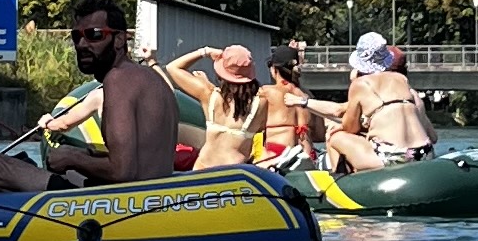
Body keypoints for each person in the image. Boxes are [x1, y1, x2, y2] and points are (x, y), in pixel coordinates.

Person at [0, 0, 185, 194]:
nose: (81, 44)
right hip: (152, 195)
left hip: (121, 203)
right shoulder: (153, 80)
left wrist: (73, 156)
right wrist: (83, 159)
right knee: (57, 170)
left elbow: (123, 172)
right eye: (76, 36)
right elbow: (140, 162)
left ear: (119, 39)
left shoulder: (118, 79)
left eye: (94, 35)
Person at [327, 29, 434, 171]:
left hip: (392, 157)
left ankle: (340, 185)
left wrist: (339, 127)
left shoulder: (360, 84)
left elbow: (350, 128)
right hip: (424, 152)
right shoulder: (402, 79)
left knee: (335, 137)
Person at [165, 42, 270, 169]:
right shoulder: (261, 103)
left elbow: (173, 67)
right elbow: (262, 127)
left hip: (203, 168)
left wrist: (205, 52)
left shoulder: (209, 94)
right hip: (234, 173)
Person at [254, 40, 317, 169]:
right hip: (308, 155)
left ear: (274, 69)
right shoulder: (307, 97)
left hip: (278, 153)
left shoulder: (266, 92)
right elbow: (320, 133)